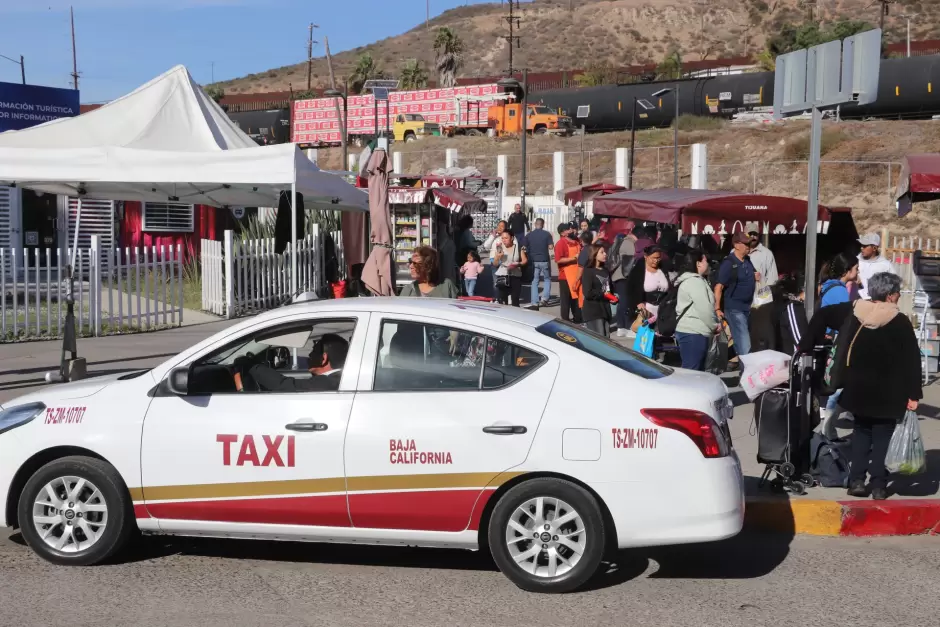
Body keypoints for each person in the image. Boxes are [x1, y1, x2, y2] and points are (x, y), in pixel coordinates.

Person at [800, 273, 922, 500]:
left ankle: (857, 480)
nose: (897, 298)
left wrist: (807, 345)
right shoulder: (900, 321)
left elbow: (823, 315)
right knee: (882, 436)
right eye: (896, 294)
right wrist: (914, 393)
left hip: (857, 387)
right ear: (890, 295)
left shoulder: (854, 310)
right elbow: (912, 361)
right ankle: (878, 486)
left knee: (862, 432)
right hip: (890, 390)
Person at [817, 252, 861, 437]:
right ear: (847, 270)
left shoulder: (830, 286)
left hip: (827, 338)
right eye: (856, 269)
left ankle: (829, 423)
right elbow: (846, 319)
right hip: (834, 339)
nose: (858, 272)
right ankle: (828, 423)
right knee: (839, 382)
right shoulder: (840, 291)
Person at [246, 334, 348, 393]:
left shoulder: (326, 383)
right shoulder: (339, 379)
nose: (310, 354)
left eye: (314, 351)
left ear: (324, 358)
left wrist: (253, 367)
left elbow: (283, 385)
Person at [674, 249, 720, 371]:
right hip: (693, 332)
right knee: (691, 372)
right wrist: (715, 325)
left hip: (693, 331)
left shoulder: (696, 280)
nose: (709, 264)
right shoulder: (694, 282)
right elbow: (705, 309)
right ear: (698, 263)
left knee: (694, 372)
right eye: (706, 261)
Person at [715, 232, 758, 358]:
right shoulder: (729, 263)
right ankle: (747, 374)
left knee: (742, 342)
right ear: (736, 245)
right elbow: (719, 287)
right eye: (745, 244)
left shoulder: (748, 261)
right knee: (745, 345)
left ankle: (735, 365)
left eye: (749, 243)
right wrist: (717, 308)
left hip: (749, 308)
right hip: (734, 309)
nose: (748, 246)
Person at [747, 230, 779, 353]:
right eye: (750, 234)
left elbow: (773, 281)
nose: (753, 237)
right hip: (741, 302)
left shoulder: (767, 254)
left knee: (757, 336)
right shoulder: (736, 253)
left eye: (755, 234)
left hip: (760, 303)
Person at [626, 245, 670, 326]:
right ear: (646, 256)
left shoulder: (663, 269)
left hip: (662, 310)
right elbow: (630, 289)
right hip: (646, 310)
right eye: (653, 258)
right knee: (646, 337)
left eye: (658, 258)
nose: (656, 260)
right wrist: (638, 303)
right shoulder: (638, 271)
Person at [610, 227, 638, 337]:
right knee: (625, 302)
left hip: (617, 276)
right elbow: (632, 260)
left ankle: (621, 326)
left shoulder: (620, 241)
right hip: (624, 275)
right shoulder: (629, 243)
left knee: (622, 302)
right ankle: (624, 327)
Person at [581, 244, 613, 337]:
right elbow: (587, 293)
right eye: (602, 252)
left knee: (607, 339)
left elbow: (608, 288)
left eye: (605, 252)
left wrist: (612, 297)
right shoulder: (588, 271)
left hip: (605, 310)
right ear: (594, 255)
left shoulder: (605, 270)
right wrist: (604, 295)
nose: (605, 254)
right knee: (599, 340)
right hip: (593, 311)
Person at [555, 222, 582, 322]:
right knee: (566, 300)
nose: (571, 230)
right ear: (562, 233)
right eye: (568, 229)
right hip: (565, 276)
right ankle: (565, 321)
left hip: (577, 274)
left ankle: (578, 318)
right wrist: (573, 259)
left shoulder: (576, 241)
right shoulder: (560, 244)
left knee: (576, 298)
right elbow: (558, 260)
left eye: (571, 228)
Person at [494, 230, 528, 306]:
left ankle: (515, 315)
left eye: (506, 238)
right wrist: (497, 257)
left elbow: (525, 260)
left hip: (515, 275)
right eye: (502, 238)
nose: (504, 240)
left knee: (515, 299)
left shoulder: (518, 247)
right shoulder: (500, 248)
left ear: (512, 238)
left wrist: (518, 264)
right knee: (502, 300)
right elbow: (495, 264)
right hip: (503, 275)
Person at [856, 233, 895, 300]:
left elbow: (895, 285)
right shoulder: (855, 262)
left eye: (865, 246)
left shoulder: (886, 265)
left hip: (877, 303)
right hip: (857, 301)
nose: (861, 248)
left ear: (874, 248)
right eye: (861, 245)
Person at [525, 217, 554, 308]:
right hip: (544, 260)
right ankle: (545, 299)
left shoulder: (529, 235)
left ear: (535, 224)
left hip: (533, 261)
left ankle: (535, 302)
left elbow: (524, 247)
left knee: (535, 281)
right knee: (547, 279)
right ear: (543, 224)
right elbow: (550, 247)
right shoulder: (547, 234)